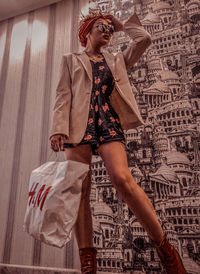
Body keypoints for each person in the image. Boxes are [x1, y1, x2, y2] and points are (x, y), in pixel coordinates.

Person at [49, 11, 187, 274]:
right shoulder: (70, 60)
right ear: (87, 33)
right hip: (77, 128)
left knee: (123, 180)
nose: (107, 31)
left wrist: (122, 26)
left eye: (108, 29)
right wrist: (57, 129)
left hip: (108, 124)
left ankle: (166, 250)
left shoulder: (117, 59)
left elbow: (144, 39)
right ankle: (88, 261)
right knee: (80, 191)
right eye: (101, 27)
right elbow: (62, 96)